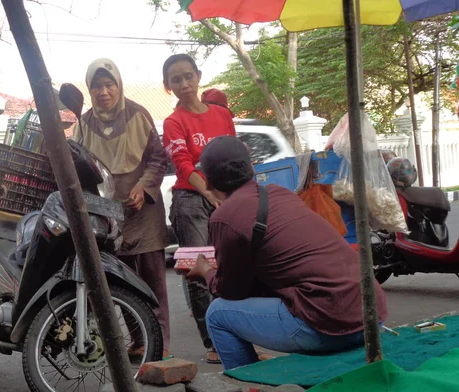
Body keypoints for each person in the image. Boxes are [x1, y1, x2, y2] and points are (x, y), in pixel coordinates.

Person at [187, 135, 389, 370]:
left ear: (208, 183)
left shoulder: (224, 218)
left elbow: (230, 290)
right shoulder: (278, 193)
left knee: (217, 314)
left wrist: (205, 272)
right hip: (373, 315)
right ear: (252, 168)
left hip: (331, 326)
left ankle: (248, 389)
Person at [73, 58, 170, 357]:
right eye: (96, 86)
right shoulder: (83, 125)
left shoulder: (138, 114)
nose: (103, 91)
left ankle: (161, 345)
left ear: (118, 85)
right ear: (89, 90)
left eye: (108, 84)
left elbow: (158, 158)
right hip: (107, 214)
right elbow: (78, 168)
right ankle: (140, 342)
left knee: (152, 279)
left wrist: (145, 185)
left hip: (144, 211)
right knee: (121, 279)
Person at [162, 54, 236, 364]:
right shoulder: (173, 122)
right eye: (176, 79)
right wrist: (209, 193)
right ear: (168, 86)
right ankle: (215, 344)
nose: (184, 84)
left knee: (232, 269)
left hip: (225, 197)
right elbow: (182, 164)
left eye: (188, 76)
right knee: (199, 270)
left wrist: (232, 195)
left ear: (198, 75)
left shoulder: (222, 115)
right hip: (190, 201)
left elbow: (234, 155)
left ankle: (239, 338)